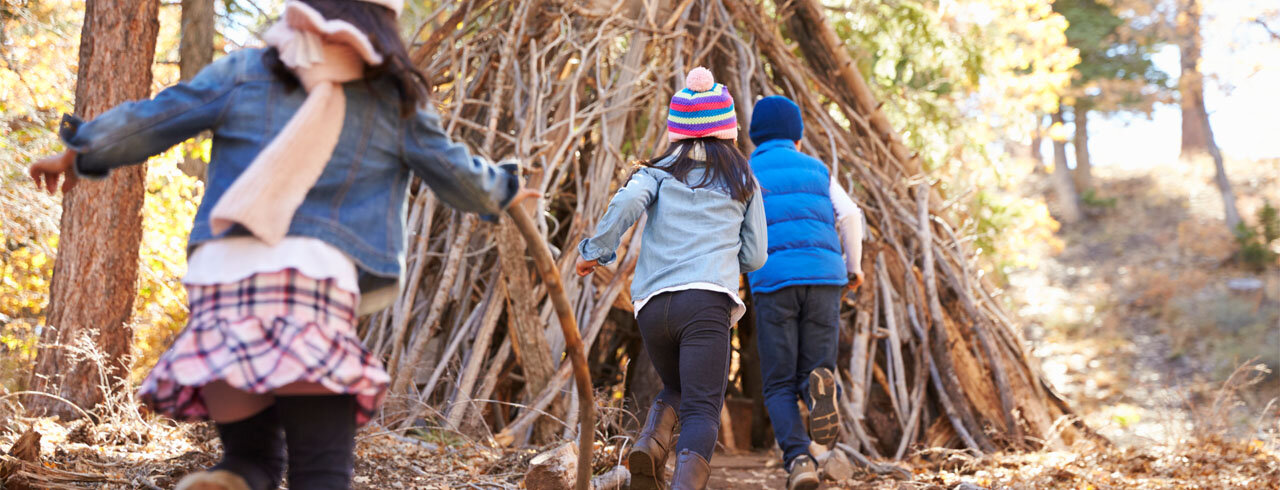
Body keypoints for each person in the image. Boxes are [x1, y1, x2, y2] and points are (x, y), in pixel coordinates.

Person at [28, 1, 536, 488]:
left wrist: (79, 152)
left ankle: (230, 481)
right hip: (311, 286)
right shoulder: (392, 101)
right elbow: (457, 175)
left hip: (222, 286)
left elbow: (159, 117)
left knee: (251, 460)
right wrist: (507, 190)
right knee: (320, 475)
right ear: (383, 24)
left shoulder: (245, 71)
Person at [575, 67, 767, 490]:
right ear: (728, 131)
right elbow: (755, 256)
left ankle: (650, 445)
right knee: (702, 407)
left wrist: (594, 252)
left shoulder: (657, 172)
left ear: (677, 132)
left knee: (675, 386)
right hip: (705, 303)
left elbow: (626, 202)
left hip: (652, 306)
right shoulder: (742, 179)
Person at [745, 95, 867, 490]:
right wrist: (854, 267)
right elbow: (849, 214)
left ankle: (799, 460)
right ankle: (818, 396)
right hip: (825, 278)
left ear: (755, 136)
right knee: (815, 368)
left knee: (777, 381)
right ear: (797, 137)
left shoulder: (747, 171)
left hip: (774, 280)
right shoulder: (817, 169)